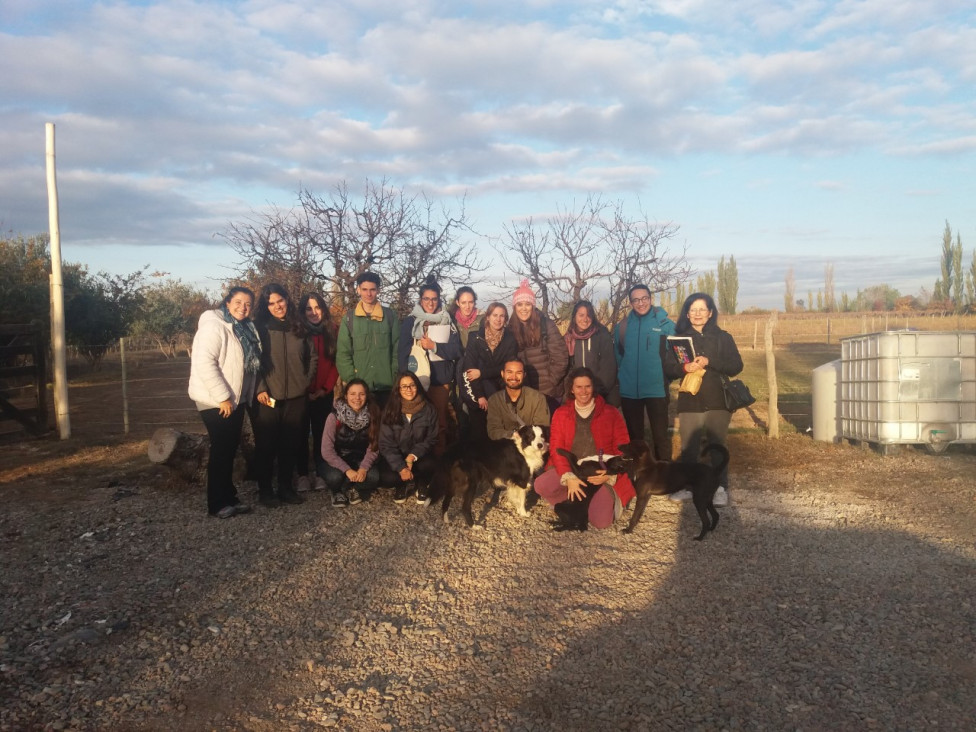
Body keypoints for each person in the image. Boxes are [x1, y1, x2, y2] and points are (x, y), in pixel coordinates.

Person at [662, 293, 743, 507]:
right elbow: (668, 367)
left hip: (718, 400)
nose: (697, 314)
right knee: (689, 447)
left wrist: (710, 361)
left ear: (710, 313)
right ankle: (688, 486)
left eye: (702, 309)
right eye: (693, 310)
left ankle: (720, 487)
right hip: (690, 400)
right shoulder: (678, 339)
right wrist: (683, 367)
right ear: (687, 314)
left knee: (717, 445)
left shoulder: (723, 337)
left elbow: (736, 366)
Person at [188, 286, 261, 518]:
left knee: (229, 449)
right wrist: (222, 397)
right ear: (228, 302)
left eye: (248, 304)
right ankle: (217, 503)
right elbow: (204, 363)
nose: (243, 307)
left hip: (234, 399)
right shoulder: (214, 326)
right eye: (238, 302)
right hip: (215, 400)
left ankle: (229, 496)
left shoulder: (245, 328)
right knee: (221, 450)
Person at [534, 368, 635, 530]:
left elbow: (624, 450)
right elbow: (557, 449)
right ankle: (573, 501)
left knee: (601, 522)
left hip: (599, 473)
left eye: (587, 386)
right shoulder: (561, 414)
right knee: (541, 485)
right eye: (579, 387)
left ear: (593, 388)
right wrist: (569, 477)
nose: (583, 391)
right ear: (572, 390)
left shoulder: (611, 413)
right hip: (573, 469)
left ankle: (607, 501)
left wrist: (609, 475)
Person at [253, 283, 317, 508]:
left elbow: (312, 357)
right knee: (266, 445)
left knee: (290, 444)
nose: (277, 306)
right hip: (267, 397)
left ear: (287, 300)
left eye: (280, 301)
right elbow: (252, 363)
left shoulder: (299, 326)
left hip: (296, 397)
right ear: (266, 306)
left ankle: (286, 488)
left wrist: (305, 382)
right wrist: (260, 387)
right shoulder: (259, 328)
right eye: (271, 303)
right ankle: (265, 490)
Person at [398, 278, 462, 455]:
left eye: (434, 299)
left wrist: (434, 346)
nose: (430, 303)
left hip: (439, 381)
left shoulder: (447, 320)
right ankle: (416, 464)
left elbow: (456, 350)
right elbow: (402, 353)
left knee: (439, 424)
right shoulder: (411, 322)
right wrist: (405, 380)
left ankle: (438, 465)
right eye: (426, 299)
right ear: (420, 300)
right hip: (416, 381)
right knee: (417, 425)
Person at [614, 284, 676, 461]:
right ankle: (638, 478)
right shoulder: (623, 327)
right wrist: (623, 378)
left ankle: (664, 479)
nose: (641, 303)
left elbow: (677, 355)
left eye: (644, 298)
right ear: (631, 302)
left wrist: (668, 377)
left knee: (660, 437)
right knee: (635, 439)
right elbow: (619, 356)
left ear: (650, 298)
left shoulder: (665, 325)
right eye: (636, 300)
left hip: (657, 389)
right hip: (629, 392)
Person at [335, 272, 399, 407]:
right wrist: (352, 381)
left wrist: (394, 376)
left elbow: (397, 349)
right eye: (364, 289)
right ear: (358, 289)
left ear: (378, 290)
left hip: (386, 387)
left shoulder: (390, 316)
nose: (368, 294)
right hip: (360, 390)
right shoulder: (349, 319)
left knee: (386, 427)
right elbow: (343, 354)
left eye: (372, 289)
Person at [458, 302, 519, 441]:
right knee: (479, 434)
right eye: (495, 315)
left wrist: (482, 373)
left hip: (499, 390)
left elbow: (508, 368)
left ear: (506, 319)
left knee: (499, 431)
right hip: (477, 390)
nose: (498, 319)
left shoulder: (510, 340)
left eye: (502, 316)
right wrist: (479, 395)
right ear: (488, 317)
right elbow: (470, 368)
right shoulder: (475, 337)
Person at [378, 371, 439, 504]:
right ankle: (403, 483)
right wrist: (401, 467)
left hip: (420, 456)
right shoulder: (390, 410)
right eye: (404, 386)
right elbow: (385, 444)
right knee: (386, 477)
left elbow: (431, 438)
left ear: (417, 386)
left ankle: (421, 483)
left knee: (431, 465)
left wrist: (413, 456)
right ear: (398, 389)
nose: (409, 390)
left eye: (412, 385)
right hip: (398, 456)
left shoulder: (429, 409)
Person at [298, 292, 339, 492]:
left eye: (317, 307)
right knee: (300, 434)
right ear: (302, 311)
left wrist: (325, 389)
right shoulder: (297, 331)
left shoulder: (332, 330)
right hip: (300, 394)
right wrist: (302, 389)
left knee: (323, 434)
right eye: (308, 308)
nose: (313, 312)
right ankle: (302, 474)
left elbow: (336, 363)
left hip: (323, 392)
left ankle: (321, 472)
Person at [509, 279, 569, 411]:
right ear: (514, 307)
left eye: (527, 304)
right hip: (524, 393)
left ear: (533, 306)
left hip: (549, 392)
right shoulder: (510, 330)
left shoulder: (546, 325)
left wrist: (551, 382)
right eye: (519, 304)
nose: (523, 309)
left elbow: (561, 358)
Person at [320, 378, 381, 506]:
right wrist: (347, 470)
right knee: (334, 478)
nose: (357, 398)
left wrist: (363, 468)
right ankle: (337, 491)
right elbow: (327, 451)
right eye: (352, 394)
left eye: (361, 394)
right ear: (346, 396)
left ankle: (353, 489)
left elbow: (373, 447)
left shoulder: (374, 415)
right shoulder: (334, 417)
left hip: (360, 459)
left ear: (367, 396)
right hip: (337, 460)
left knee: (374, 477)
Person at [565, 300, 619, 406]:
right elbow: (569, 368)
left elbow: (608, 368)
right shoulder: (569, 338)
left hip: (602, 394)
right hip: (579, 394)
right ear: (574, 317)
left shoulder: (602, 335)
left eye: (588, 315)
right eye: (581, 315)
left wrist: (595, 392)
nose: (585, 319)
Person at [485, 359, 551, 441]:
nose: (514, 377)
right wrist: (512, 435)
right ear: (502, 374)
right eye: (509, 372)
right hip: (505, 446)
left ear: (524, 375)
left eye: (518, 373)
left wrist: (523, 436)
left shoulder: (537, 398)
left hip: (531, 447)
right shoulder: (494, 400)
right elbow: (493, 431)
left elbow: (542, 428)